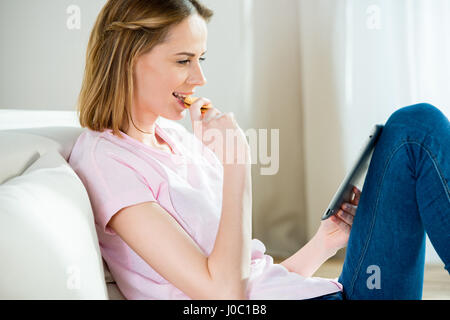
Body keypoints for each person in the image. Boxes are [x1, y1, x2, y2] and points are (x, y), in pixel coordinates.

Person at [68, 0, 450, 300]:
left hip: (322, 292)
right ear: (127, 59)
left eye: (200, 59)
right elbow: (223, 295)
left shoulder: (176, 138)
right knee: (416, 131)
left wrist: (323, 244)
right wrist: (237, 166)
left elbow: (253, 282)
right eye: (183, 60)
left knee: (413, 125)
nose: (199, 78)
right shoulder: (108, 161)